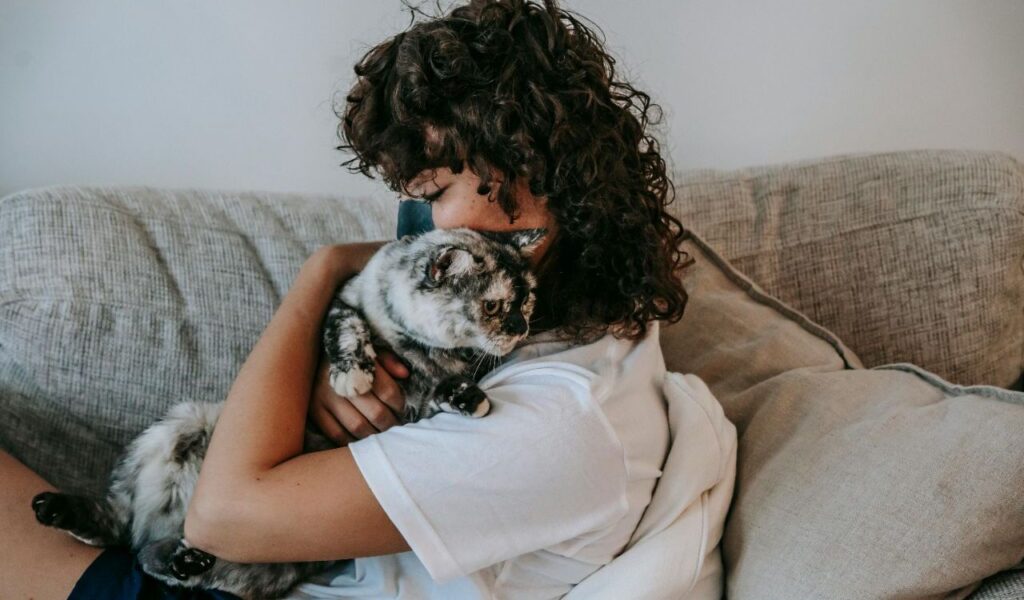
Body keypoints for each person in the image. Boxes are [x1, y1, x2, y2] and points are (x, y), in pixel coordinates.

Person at [0, 0, 696, 597]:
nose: (418, 226)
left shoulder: (560, 425)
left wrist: (324, 269)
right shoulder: (576, 324)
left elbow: (222, 517)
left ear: (533, 171)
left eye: (433, 194)